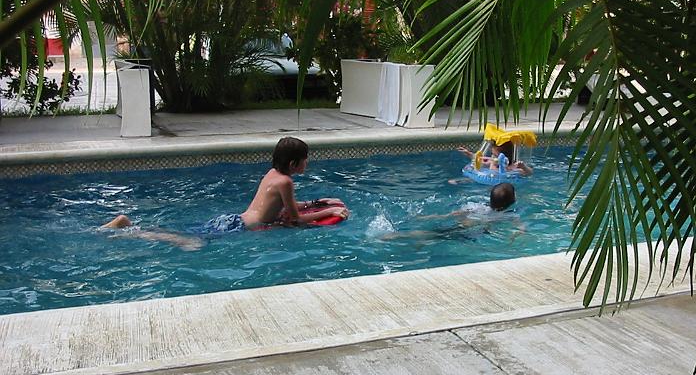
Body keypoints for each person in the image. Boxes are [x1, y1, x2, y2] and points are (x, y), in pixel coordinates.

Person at [102, 136, 349, 246]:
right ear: (294, 163)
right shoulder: (286, 182)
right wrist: (330, 212)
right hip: (238, 228)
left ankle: (130, 226)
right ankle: (130, 229)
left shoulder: (273, 175)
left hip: (231, 220)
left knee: (187, 233)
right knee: (190, 242)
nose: (308, 162)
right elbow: (294, 219)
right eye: (306, 159)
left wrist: (319, 202)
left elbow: (287, 208)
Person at [381, 183, 523, 242]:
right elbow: (521, 228)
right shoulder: (510, 215)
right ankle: (405, 236)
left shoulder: (479, 206)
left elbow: (455, 213)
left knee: (439, 233)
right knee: (440, 236)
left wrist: (430, 216)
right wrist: (514, 237)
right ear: (512, 200)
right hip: (474, 232)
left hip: (465, 224)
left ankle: (403, 236)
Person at [457, 141, 533, 175]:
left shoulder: (512, 167)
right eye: (492, 154)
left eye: (495, 156)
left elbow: (529, 173)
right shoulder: (492, 162)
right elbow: (479, 159)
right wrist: (468, 153)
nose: (492, 157)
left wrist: (524, 167)